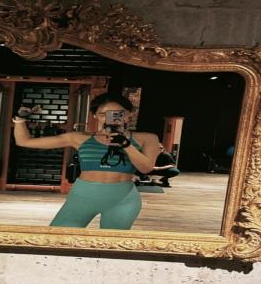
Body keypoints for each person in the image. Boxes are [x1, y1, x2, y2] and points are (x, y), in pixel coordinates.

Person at [12, 93, 160, 229]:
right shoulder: (79, 137)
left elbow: (146, 168)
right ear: (95, 116)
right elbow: (24, 141)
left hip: (122, 199)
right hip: (83, 195)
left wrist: (126, 145)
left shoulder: (147, 138)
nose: (111, 118)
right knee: (59, 237)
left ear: (129, 114)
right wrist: (20, 119)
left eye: (118, 113)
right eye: (103, 114)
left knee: (112, 243)